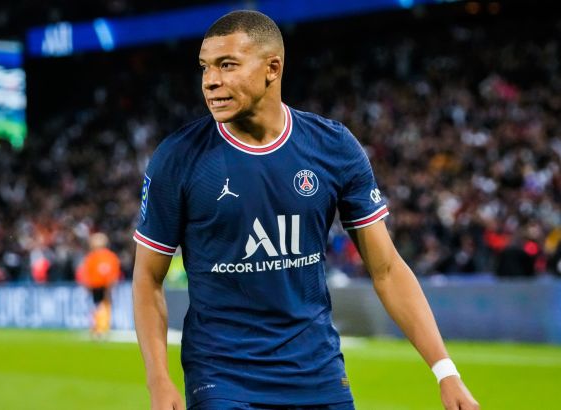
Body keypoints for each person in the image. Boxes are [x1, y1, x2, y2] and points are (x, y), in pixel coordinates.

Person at [132, 10, 479, 410]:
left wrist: (445, 371)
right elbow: (147, 278)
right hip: (223, 379)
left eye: (227, 65)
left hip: (319, 375)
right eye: (205, 67)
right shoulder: (177, 159)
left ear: (272, 68)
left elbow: (386, 268)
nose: (210, 80)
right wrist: (158, 380)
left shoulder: (332, 147)